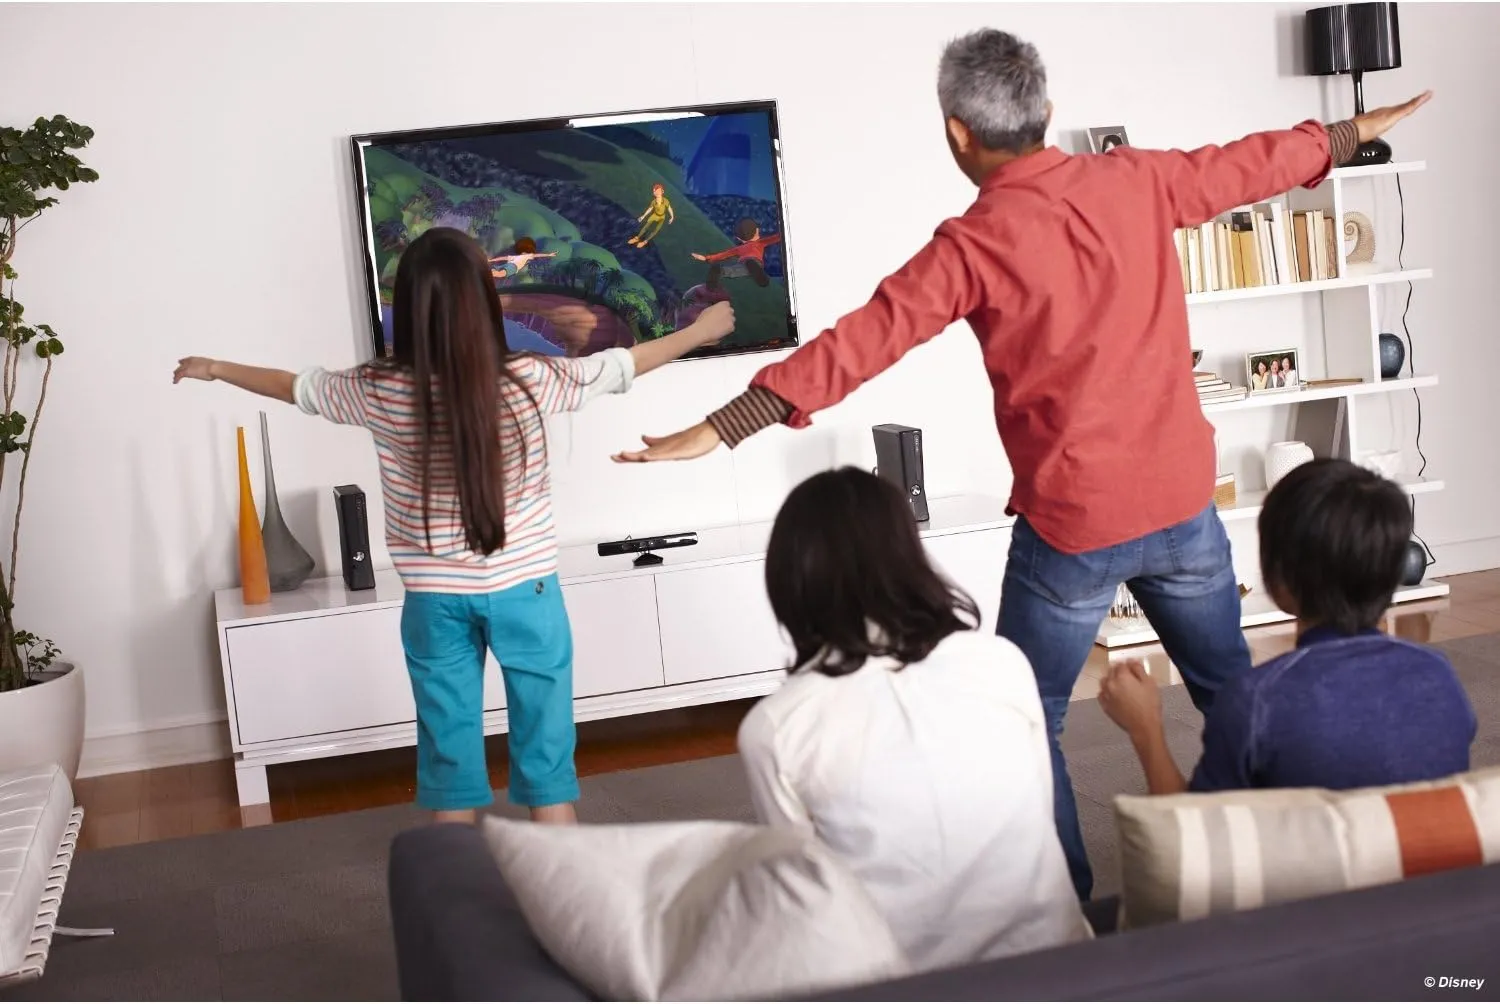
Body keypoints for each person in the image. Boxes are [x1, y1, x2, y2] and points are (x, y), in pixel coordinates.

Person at [611, 27, 1432, 900]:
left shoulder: (975, 243)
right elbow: (1248, 166)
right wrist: (1347, 132)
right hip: (1181, 506)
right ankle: (1294, 872)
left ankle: (1067, 908)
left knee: (1028, 716)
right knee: (1232, 693)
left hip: (1075, 531)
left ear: (958, 133)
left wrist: (729, 422)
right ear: (1046, 110)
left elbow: (871, 335)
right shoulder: (1138, 179)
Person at [173, 227, 736, 825]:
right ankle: (560, 877)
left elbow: (296, 388)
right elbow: (622, 365)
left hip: (435, 601)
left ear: (410, 308)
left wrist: (216, 367)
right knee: (546, 763)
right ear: (484, 301)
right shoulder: (531, 379)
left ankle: (455, 877)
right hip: (526, 593)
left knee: (451, 766)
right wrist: (699, 332)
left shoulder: (378, 388)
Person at [738, 467, 1090, 971]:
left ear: (789, 579)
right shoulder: (999, 660)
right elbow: (1038, 808)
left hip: (901, 984)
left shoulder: (777, 727)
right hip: (1061, 964)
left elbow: (799, 895)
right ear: (909, 555)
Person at [1098, 458, 1475, 794]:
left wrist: (1146, 729)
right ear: (1394, 574)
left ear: (1277, 583)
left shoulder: (1254, 701)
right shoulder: (1439, 676)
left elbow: (1191, 835)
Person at [690, 217, 781, 289]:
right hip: (755, 260)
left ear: (739, 238)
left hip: (743, 261)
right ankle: (762, 279)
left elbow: (723, 255)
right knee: (746, 270)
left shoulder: (739, 249)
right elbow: (776, 237)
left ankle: (720, 271)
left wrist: (706, 258)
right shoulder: (760, 243)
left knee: (735, 270)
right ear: (757, 231)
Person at [627, 182, 675, 248]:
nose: (657, 193)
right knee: (646, 226)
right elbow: (650, 209)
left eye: (658, 191)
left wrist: (672, 217)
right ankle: (637, 238)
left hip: (662, 217)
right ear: (654, 193)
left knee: (656, 230)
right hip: (654, 215)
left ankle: (645, 242)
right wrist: (643, 216)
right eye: (655, 191)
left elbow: (669, 208)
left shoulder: (665, 201)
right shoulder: (654, 202)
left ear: (662, 191)